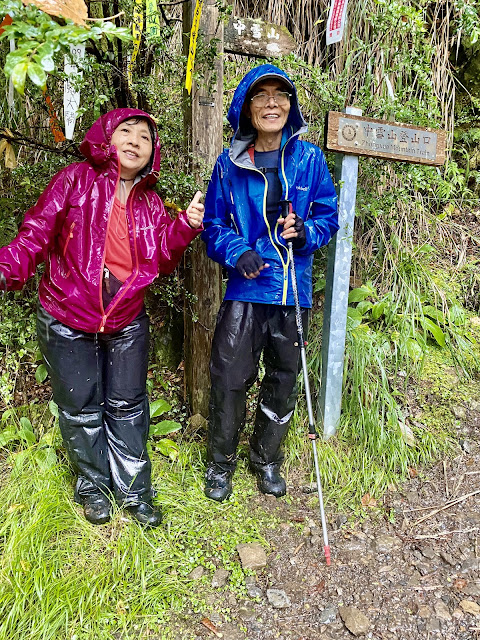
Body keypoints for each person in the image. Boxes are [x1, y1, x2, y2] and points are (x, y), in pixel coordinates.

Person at [0, 108, 204, 526]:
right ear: (106, 138)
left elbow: (163, 256)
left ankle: (134, 490)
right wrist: (7, 266)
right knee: (79, 406)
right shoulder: (75, 180)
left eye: (144, 137)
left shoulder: (150, 203)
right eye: (125, 132)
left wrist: (185, 224)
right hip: (66, 314)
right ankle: (93, 485)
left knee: (128, 406)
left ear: (152, 152)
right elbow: (35, 233)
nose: (134, 142)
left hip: (126, 319)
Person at [201, 64, 338, 502]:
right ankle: (220, 464)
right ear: (247, 107)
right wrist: (237, 249)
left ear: (290, 106)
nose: (273, 102)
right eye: (262, 96)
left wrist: (307, 233)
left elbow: (327, 216)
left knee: (284, 377)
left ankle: (266, 458)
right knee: (229, 376)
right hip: (248, 287)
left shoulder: (309, 159)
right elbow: (213, 223)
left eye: (281, 94)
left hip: (292, 288)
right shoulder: (228, 164)